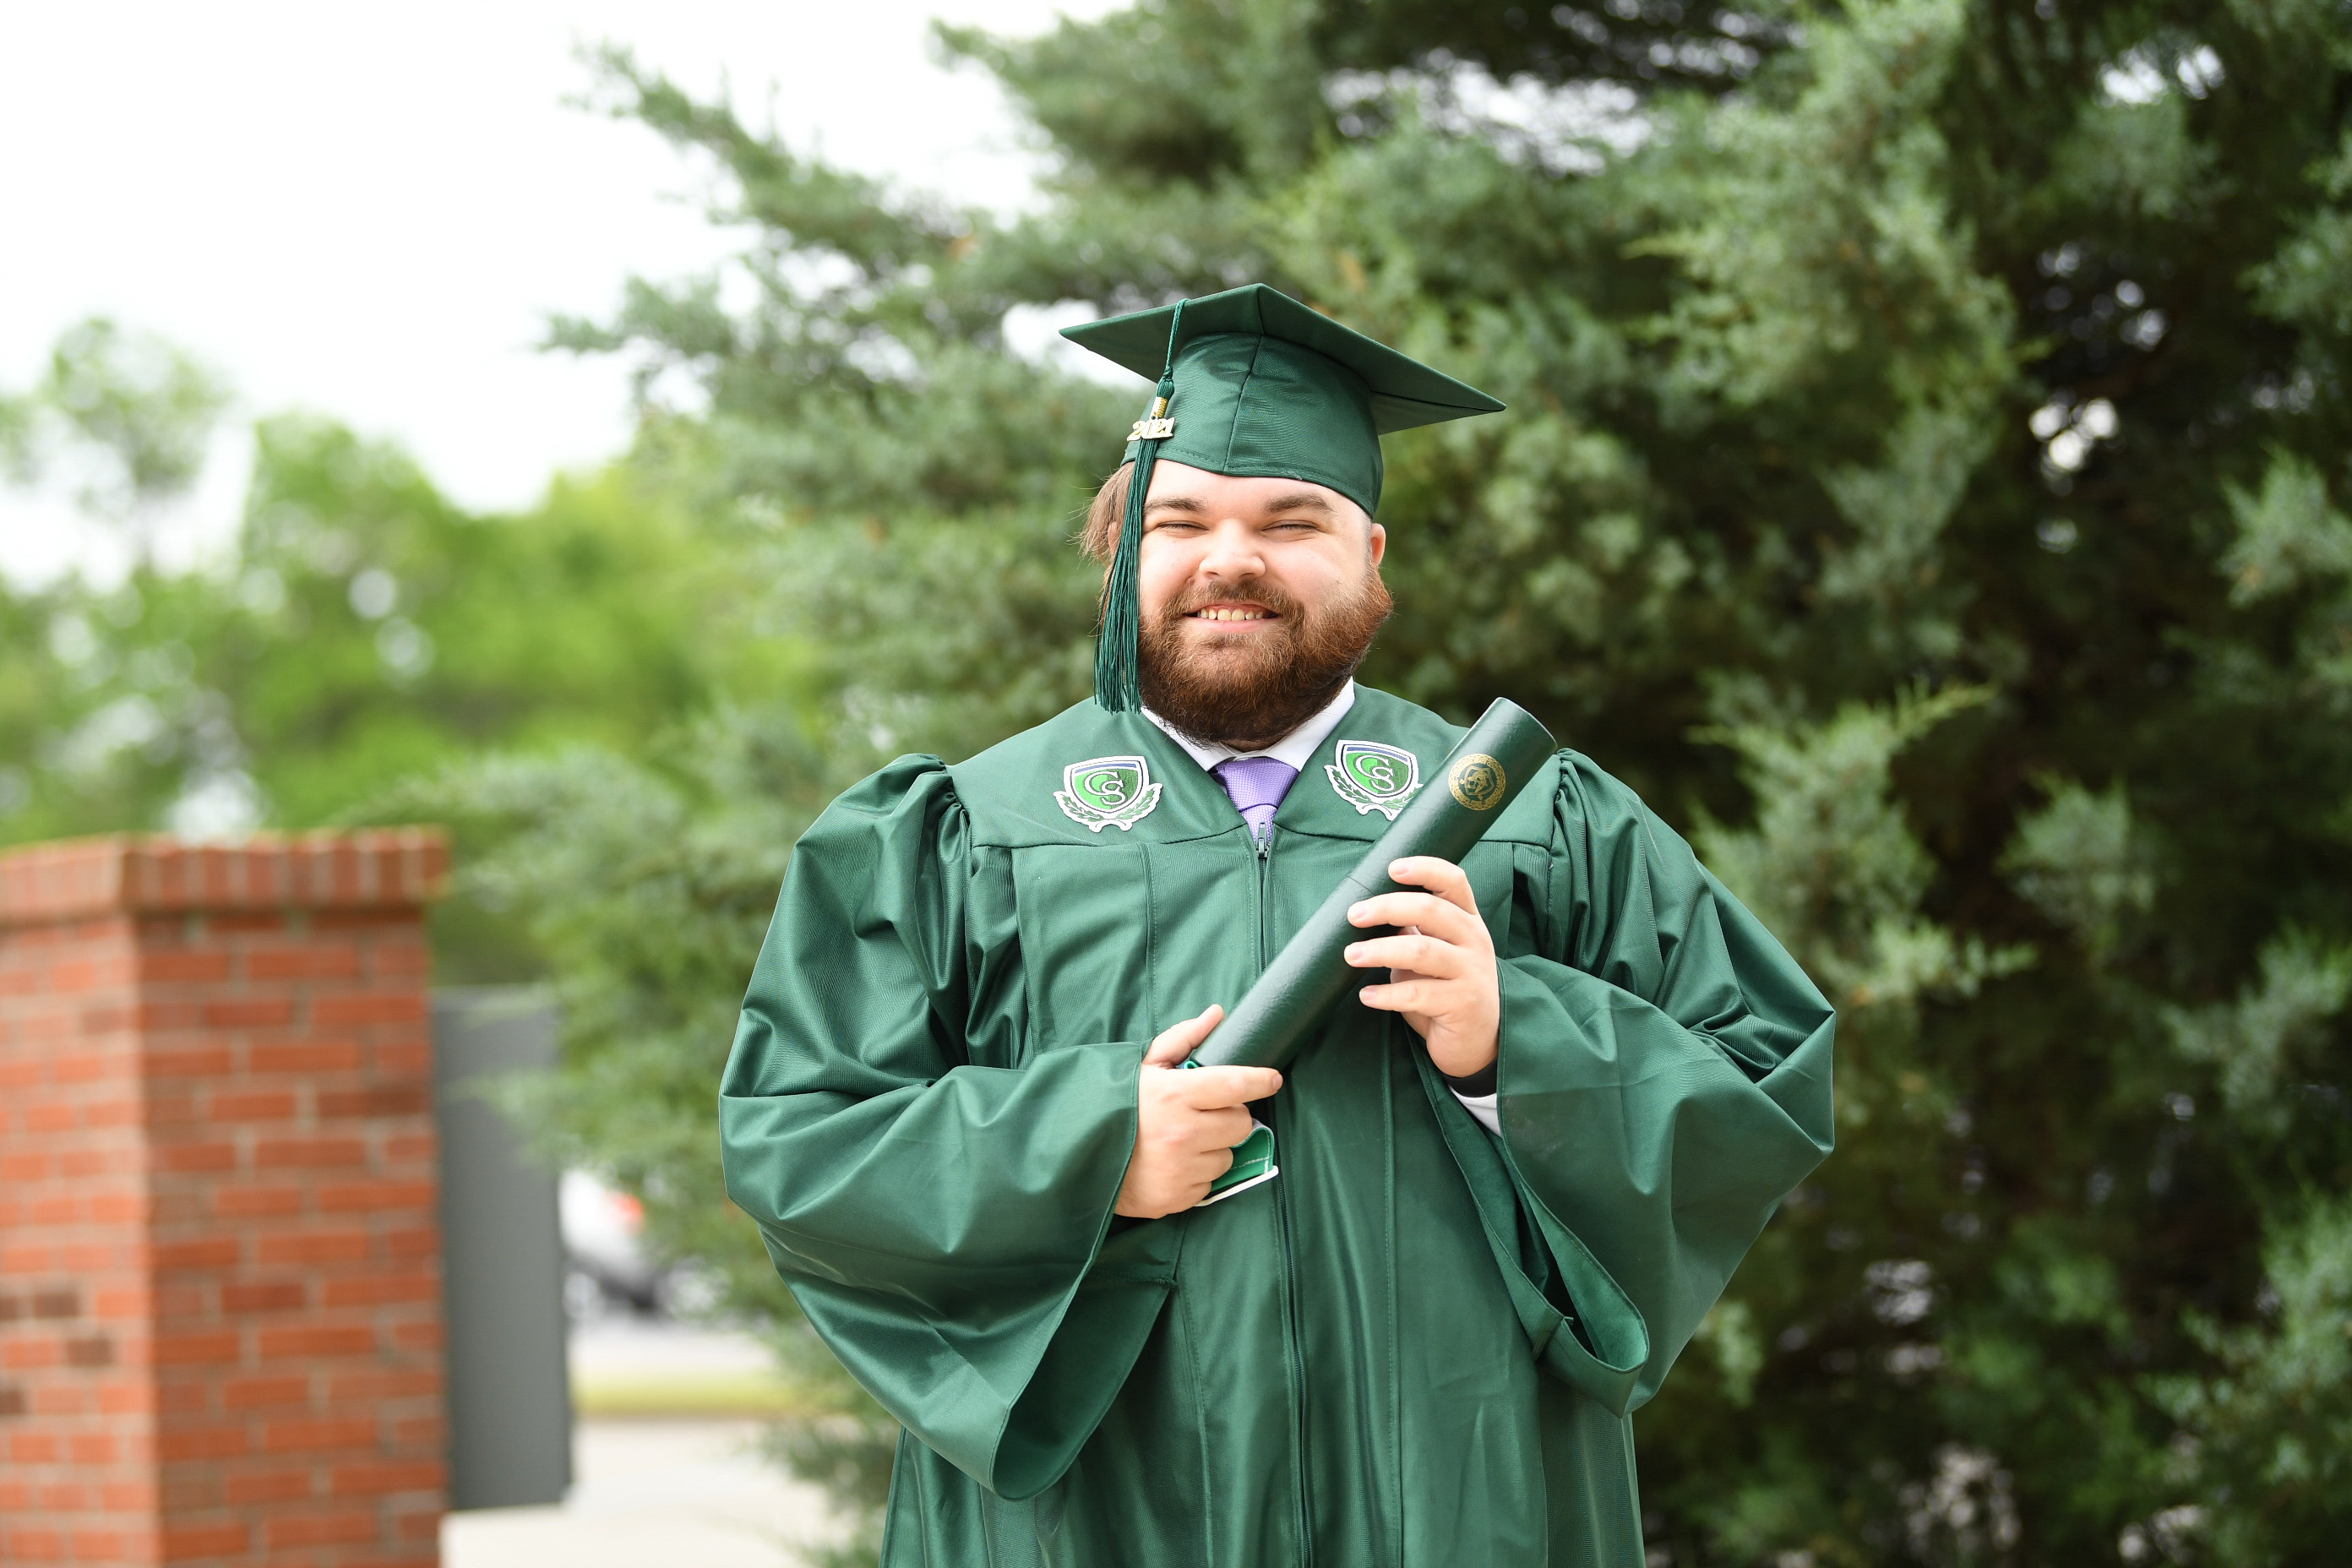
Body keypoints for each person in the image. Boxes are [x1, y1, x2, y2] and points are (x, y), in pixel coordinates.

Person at [721, 284, 1836, 1566]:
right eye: (1180, 519)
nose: (1229, 559)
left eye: (1289, 520)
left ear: (1371, 558)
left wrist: (1513, 1040)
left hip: (1461, 1499)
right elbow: (798, 1138)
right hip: (1097, 1515)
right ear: (1120, 552)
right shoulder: (962, 835)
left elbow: (1768, 1067)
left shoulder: (1528, 815)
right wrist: (1087, 1150)